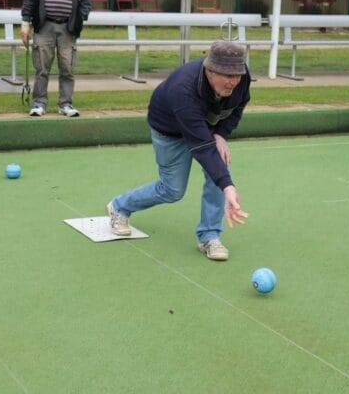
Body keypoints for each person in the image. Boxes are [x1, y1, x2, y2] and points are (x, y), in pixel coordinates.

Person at [106, 41, 250, 261]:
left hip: (205, 124)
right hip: (169, 129)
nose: (234, 81)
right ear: (210, 71)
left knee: (218, 172)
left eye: (237, 75)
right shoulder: (183, 89)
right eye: (228, 76)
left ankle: (209, 236)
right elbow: (202, 147)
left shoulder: (241, 76)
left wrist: (221, 133)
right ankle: (119, 206)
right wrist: (228, 187)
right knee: (172, 190)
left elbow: (238, 105)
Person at [20, 0, 92, 118]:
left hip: (68, 29)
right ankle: (39, 104)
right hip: (44, 27)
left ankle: (65, 104)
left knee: (67, 69)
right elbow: (28, 0)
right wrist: (25, 24)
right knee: (41, 69)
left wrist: (80, 18)